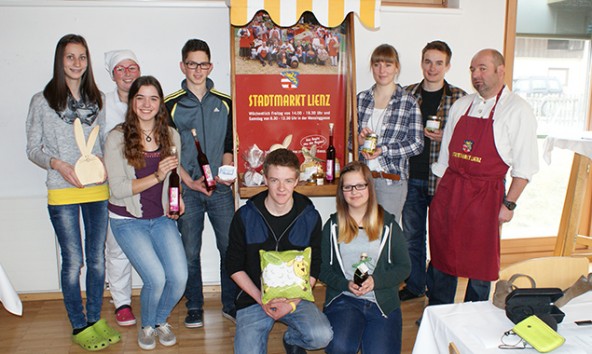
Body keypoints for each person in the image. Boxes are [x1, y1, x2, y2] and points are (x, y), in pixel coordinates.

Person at [25, 34, 120, 351]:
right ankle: (78, 324)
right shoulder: (42, 100)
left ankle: (94, 319)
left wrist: (107, 162)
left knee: (96, 260)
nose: (77, 63)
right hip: (62, 191)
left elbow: (105, 141)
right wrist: (57, 164)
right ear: (60, 60)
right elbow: (32, 149)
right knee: (73, 261)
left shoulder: (99, 101)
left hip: (96, 190)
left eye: (82, 57)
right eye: (70, 57)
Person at [427, 49, 539, 305]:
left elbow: (525, 168)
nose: (476, 75)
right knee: (443, 256)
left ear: (501, 70)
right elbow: (445, 159)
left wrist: (508, 205)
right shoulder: (462, 105)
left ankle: (473, 316)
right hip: (451, 190)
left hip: (485, 196)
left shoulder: (517, 110)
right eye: (472, 70)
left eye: (482, 69)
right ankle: (437, 312)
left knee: (480, 262)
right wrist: (440, 197)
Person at [104, 75, 188, 350]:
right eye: (140, 97)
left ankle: (159, 320)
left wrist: (179, 200)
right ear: (132, 101)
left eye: (153, 98)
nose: (146, 104)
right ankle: (147, 326)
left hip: (161, 217)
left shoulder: (171, 135)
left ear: (160, 103)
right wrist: (156, 175)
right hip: (127, 221)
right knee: (156, 277)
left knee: (179, 277)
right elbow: (116, 189)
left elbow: (173, 177)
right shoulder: (116, 138)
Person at [225, 149, 333, 354]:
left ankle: (292, 339)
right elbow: (233, 265)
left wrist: (291, 304)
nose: (282, 188)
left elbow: (315, 265)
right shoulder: (245, 216)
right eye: (275, 180)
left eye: (288, 181)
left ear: (297, 181)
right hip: (254, 299)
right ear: (265, 179)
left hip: (294, 298)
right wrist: (260, 298)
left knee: (322, 336)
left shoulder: (310, 217)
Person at [164, 38, 237, 328]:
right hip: (188, 190)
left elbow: (230, 142)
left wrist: (228, 167)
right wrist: (189, 183)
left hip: (220, 189)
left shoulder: (225, 101)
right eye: (191, 64)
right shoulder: (170, 105)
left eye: (202, 64)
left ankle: (230, 302)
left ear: (210, 66)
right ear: (183, 65)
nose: (197, 69)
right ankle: (194, 304)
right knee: (190, 251)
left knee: (229, 247)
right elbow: (168, 151)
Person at [399, 41, 467, 301]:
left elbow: (469, 141)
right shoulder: (405, 94)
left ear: (448, 66)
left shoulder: (460, 98)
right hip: (410, 177)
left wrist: (446, 139)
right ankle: (415, 286)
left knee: (442, 241)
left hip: (442, 181)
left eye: (439, 63)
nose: (433, 68)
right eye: (428, 61)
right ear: (421, 62)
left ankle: (437, 292)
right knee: (412, 238)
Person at [320, 161, 411, 354]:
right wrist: (346, 284)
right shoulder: (333, 226)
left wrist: (376, 281)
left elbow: (404, 267)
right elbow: (322, 268)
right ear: (341, 192)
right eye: (348, 187)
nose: (354, 191)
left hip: (382, 300)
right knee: (340, 347)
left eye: (360, 185)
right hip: (345, 299)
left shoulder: (388, 225)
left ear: (370, 187)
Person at [356, 44, 424, 222]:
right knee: (361, 232)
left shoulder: (408, 101)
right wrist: (357, 139)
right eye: (377, 64)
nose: (382, 70)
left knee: (385, 235)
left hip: (391, 181)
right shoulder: (361, 99)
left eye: (387, 65)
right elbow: (348, 138)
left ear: (396, 68)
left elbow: (417, 144)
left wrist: (383, 150)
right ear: (372, 67)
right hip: (361, 181)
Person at [103, 49, 141, 326]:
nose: (127, 74)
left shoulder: (149, 99)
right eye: (121, 69)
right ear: (112, 74)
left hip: (149, 184)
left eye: (132, 68)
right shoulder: (102, 104)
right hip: (116, 186)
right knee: (116, 248)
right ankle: (122, 302)